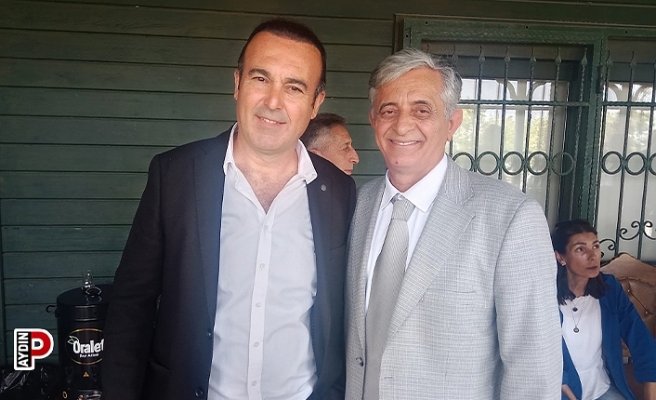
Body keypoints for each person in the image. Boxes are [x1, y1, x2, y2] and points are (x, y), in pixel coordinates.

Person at [101, 18, 356, 400]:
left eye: (294, 87)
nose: (273, 102)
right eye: (260, 78)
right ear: (237, 83)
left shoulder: (338, 191)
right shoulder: (176, 175)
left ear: (315, 103)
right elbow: (131, 305)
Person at [345, 48, 562, 399]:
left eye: (422, 110)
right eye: (389, 110)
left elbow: (533, 368)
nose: (402, 125)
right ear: (373, 120)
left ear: (452, 123)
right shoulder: (358, 205)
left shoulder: (510, 217)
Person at [552, 219, 656, 400]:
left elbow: (641, 341)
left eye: (595, 246)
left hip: (601, 389)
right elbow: (539, 354)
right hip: (559, 393)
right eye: (580, 249)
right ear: (561, 257)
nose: (593, 256)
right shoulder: (546, 297)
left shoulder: (609, 290)